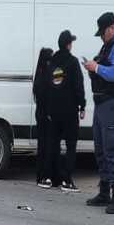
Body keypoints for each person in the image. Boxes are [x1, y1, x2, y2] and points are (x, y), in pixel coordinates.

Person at [83, 11, 114, 214]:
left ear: (111, 28)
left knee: (111, 150)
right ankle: (104, 192)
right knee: (100, 149)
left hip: (111, 104)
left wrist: (96, 68)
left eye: (103, 33)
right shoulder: (107, 45)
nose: (102, 37)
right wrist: (92, 67)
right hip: (101, 103)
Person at [44, 30, 85, 193]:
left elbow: (47, 87)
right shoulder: (73, 62)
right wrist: (82, 106)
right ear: (68, 44)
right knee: (70, 145)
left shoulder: (52, 62)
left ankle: (48, 178)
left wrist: (47, 108)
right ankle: (66, 180)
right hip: (69, 111)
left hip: (53, 111)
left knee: (52, 144)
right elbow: (78, 86)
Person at [33, 47, 55, 188]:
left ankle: (41, 175)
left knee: (42, 146)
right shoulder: (45, 75)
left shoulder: (39, 74)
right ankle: (45, 176)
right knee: (47, 147)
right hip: (46, 115)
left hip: (41, 114)